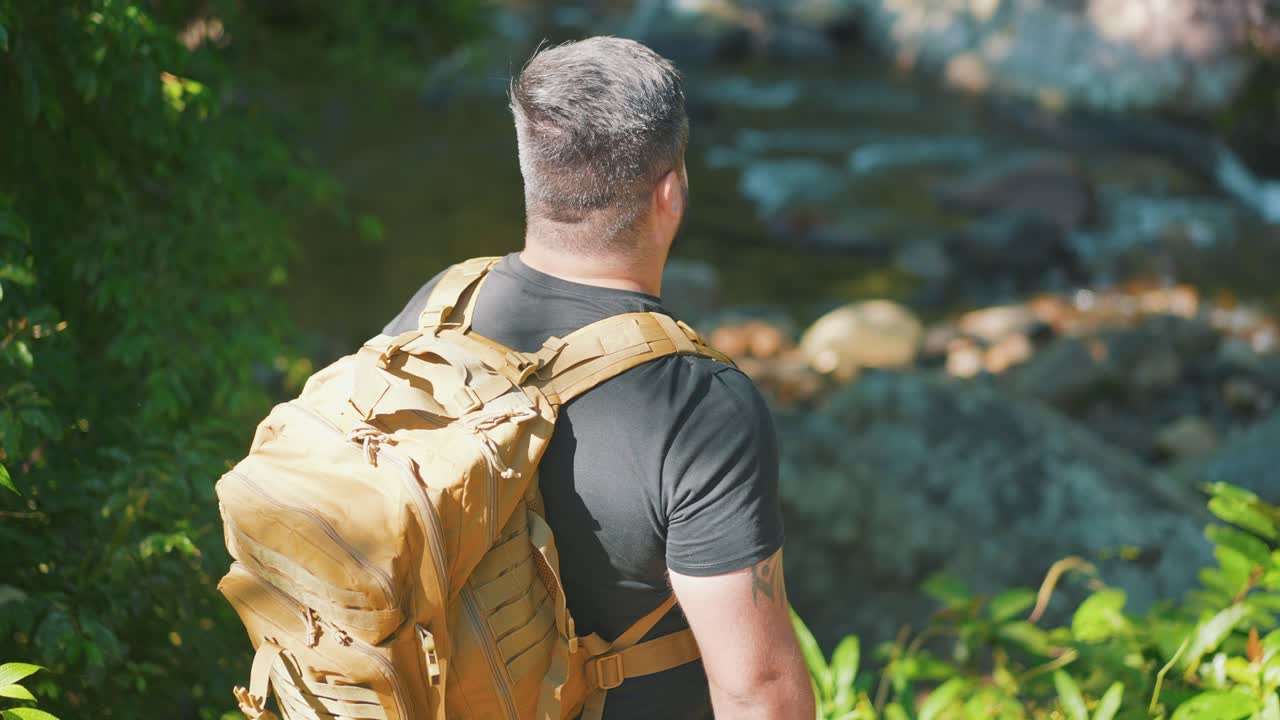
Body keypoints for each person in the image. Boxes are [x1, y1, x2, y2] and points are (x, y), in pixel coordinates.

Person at [383, 36, 815, 720]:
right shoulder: (700, 407)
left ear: (534, 174)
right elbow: (756, 690)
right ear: (670, 193)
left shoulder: (438, 309)